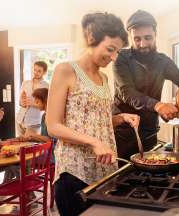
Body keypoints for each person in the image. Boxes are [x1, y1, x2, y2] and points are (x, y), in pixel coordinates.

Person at [46, 12, 139, 216]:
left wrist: (121, 117)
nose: (114, 57)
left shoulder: (104, 79)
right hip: (74, 173)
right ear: (91, 39)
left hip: (104, 172)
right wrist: (93, 142)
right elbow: (52, 125)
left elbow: (98, 122)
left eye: (117, 52)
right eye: (110, 49)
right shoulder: (66, 70)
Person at [113, 10, 179, 160]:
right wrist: (158, 106)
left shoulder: (163, 61)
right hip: (123, 135)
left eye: (147, 38)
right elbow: (128, 93)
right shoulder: (121, 58)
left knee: (150, 175)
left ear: (155, 35)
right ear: (130, 38)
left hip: (150, 132)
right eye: (137, 39)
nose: (142, 44)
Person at [16, 61, 49, 136]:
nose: (36, 72)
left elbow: (46, 106)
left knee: (30, 145)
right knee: (18, 145)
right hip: (20, 119)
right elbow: (20, 102)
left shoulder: (47, 86)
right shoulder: (25, 83)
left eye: (39, 71)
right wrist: (22, 102)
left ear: (44, 72)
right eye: (34, 70)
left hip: (33, 122)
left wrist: (33, 103)